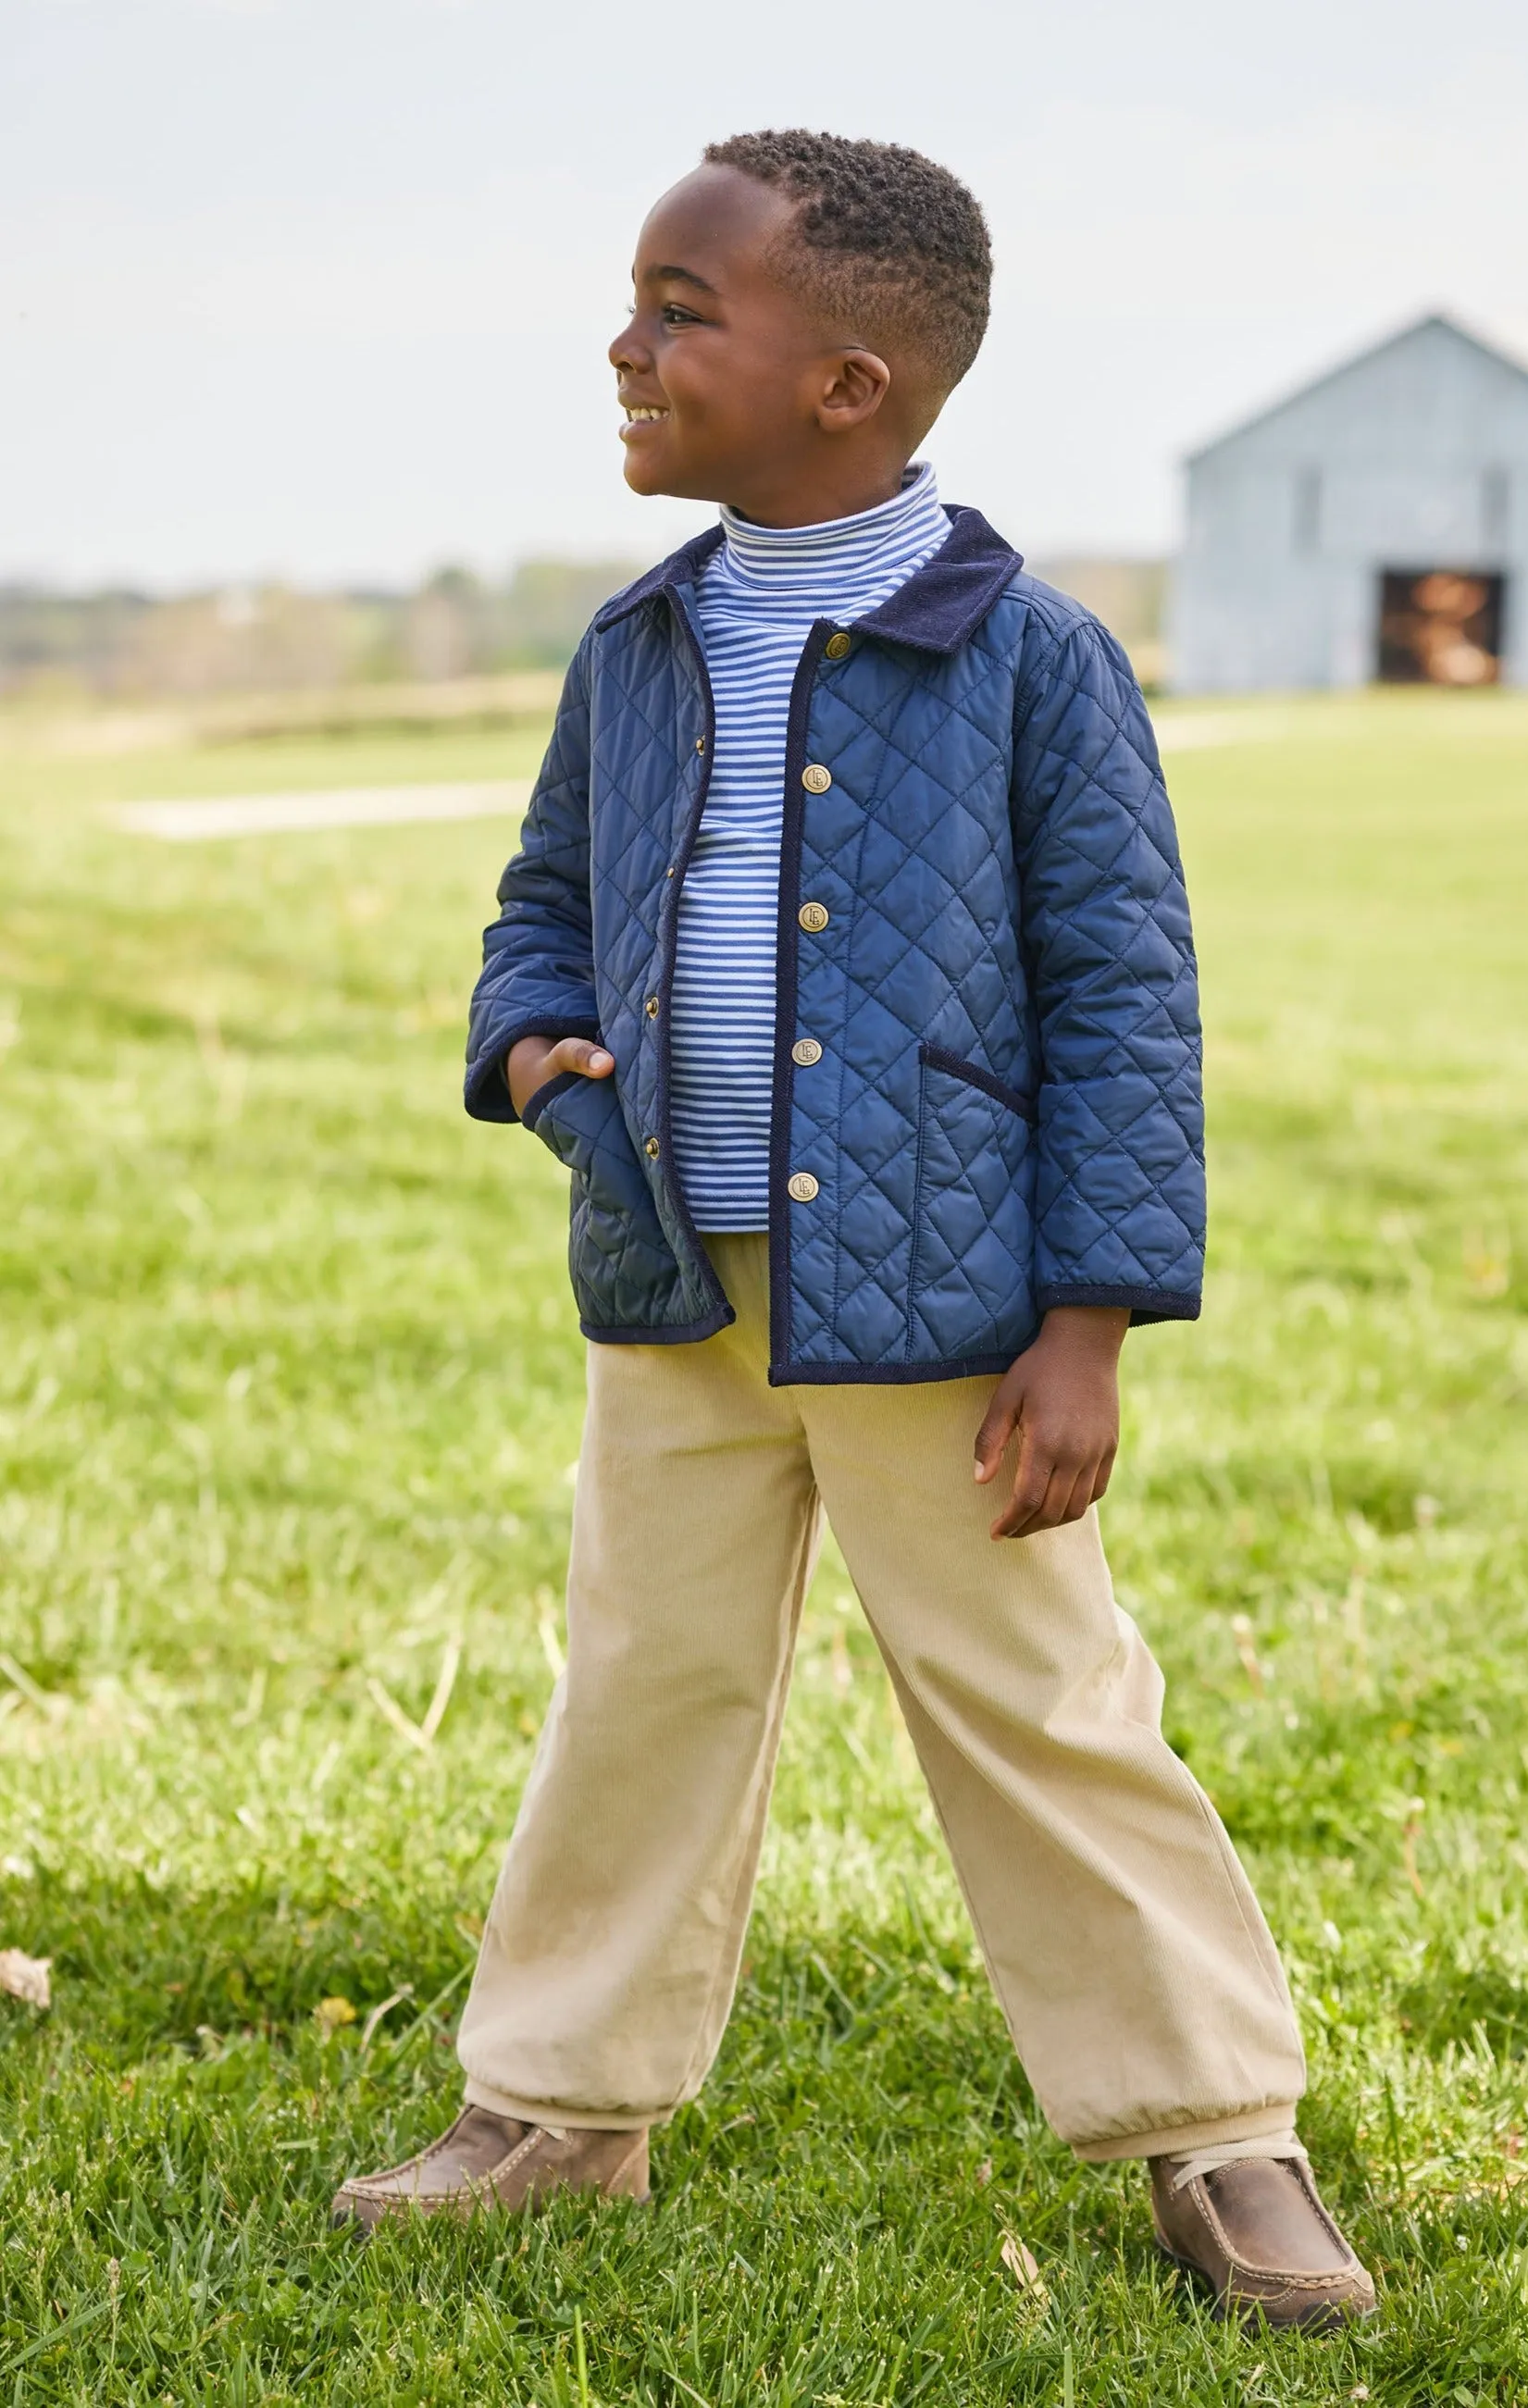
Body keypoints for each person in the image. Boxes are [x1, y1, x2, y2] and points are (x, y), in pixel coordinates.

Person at [331, 130, 1374, 2328]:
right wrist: (534, 1053)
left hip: (942, 1309)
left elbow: (1124, 997)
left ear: (853, 382)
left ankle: (1216, 2132)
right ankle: (560, 2101)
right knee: (643, 1679)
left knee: (1042, 1699)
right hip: (670, 1281)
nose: (627, 346)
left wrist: (1088, 1320)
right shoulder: (635, 638)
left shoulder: (1031, 658)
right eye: (637, 301)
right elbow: (540, 909)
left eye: (680, 310)